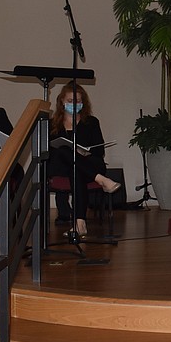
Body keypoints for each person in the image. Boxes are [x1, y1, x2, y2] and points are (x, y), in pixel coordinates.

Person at [48, 83, 121, 238]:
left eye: (78, 101)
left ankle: (79, 224)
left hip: (88, 164)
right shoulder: (52, 124)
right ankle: (102, 180)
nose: (74, 105)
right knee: (65, 152)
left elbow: (99, 151)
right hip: (61, 167)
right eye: (69, 101)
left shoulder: (91, 122)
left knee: (77, 169)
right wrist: (73, 153)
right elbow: (51, 151)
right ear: (61, 101)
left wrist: (83, 153)